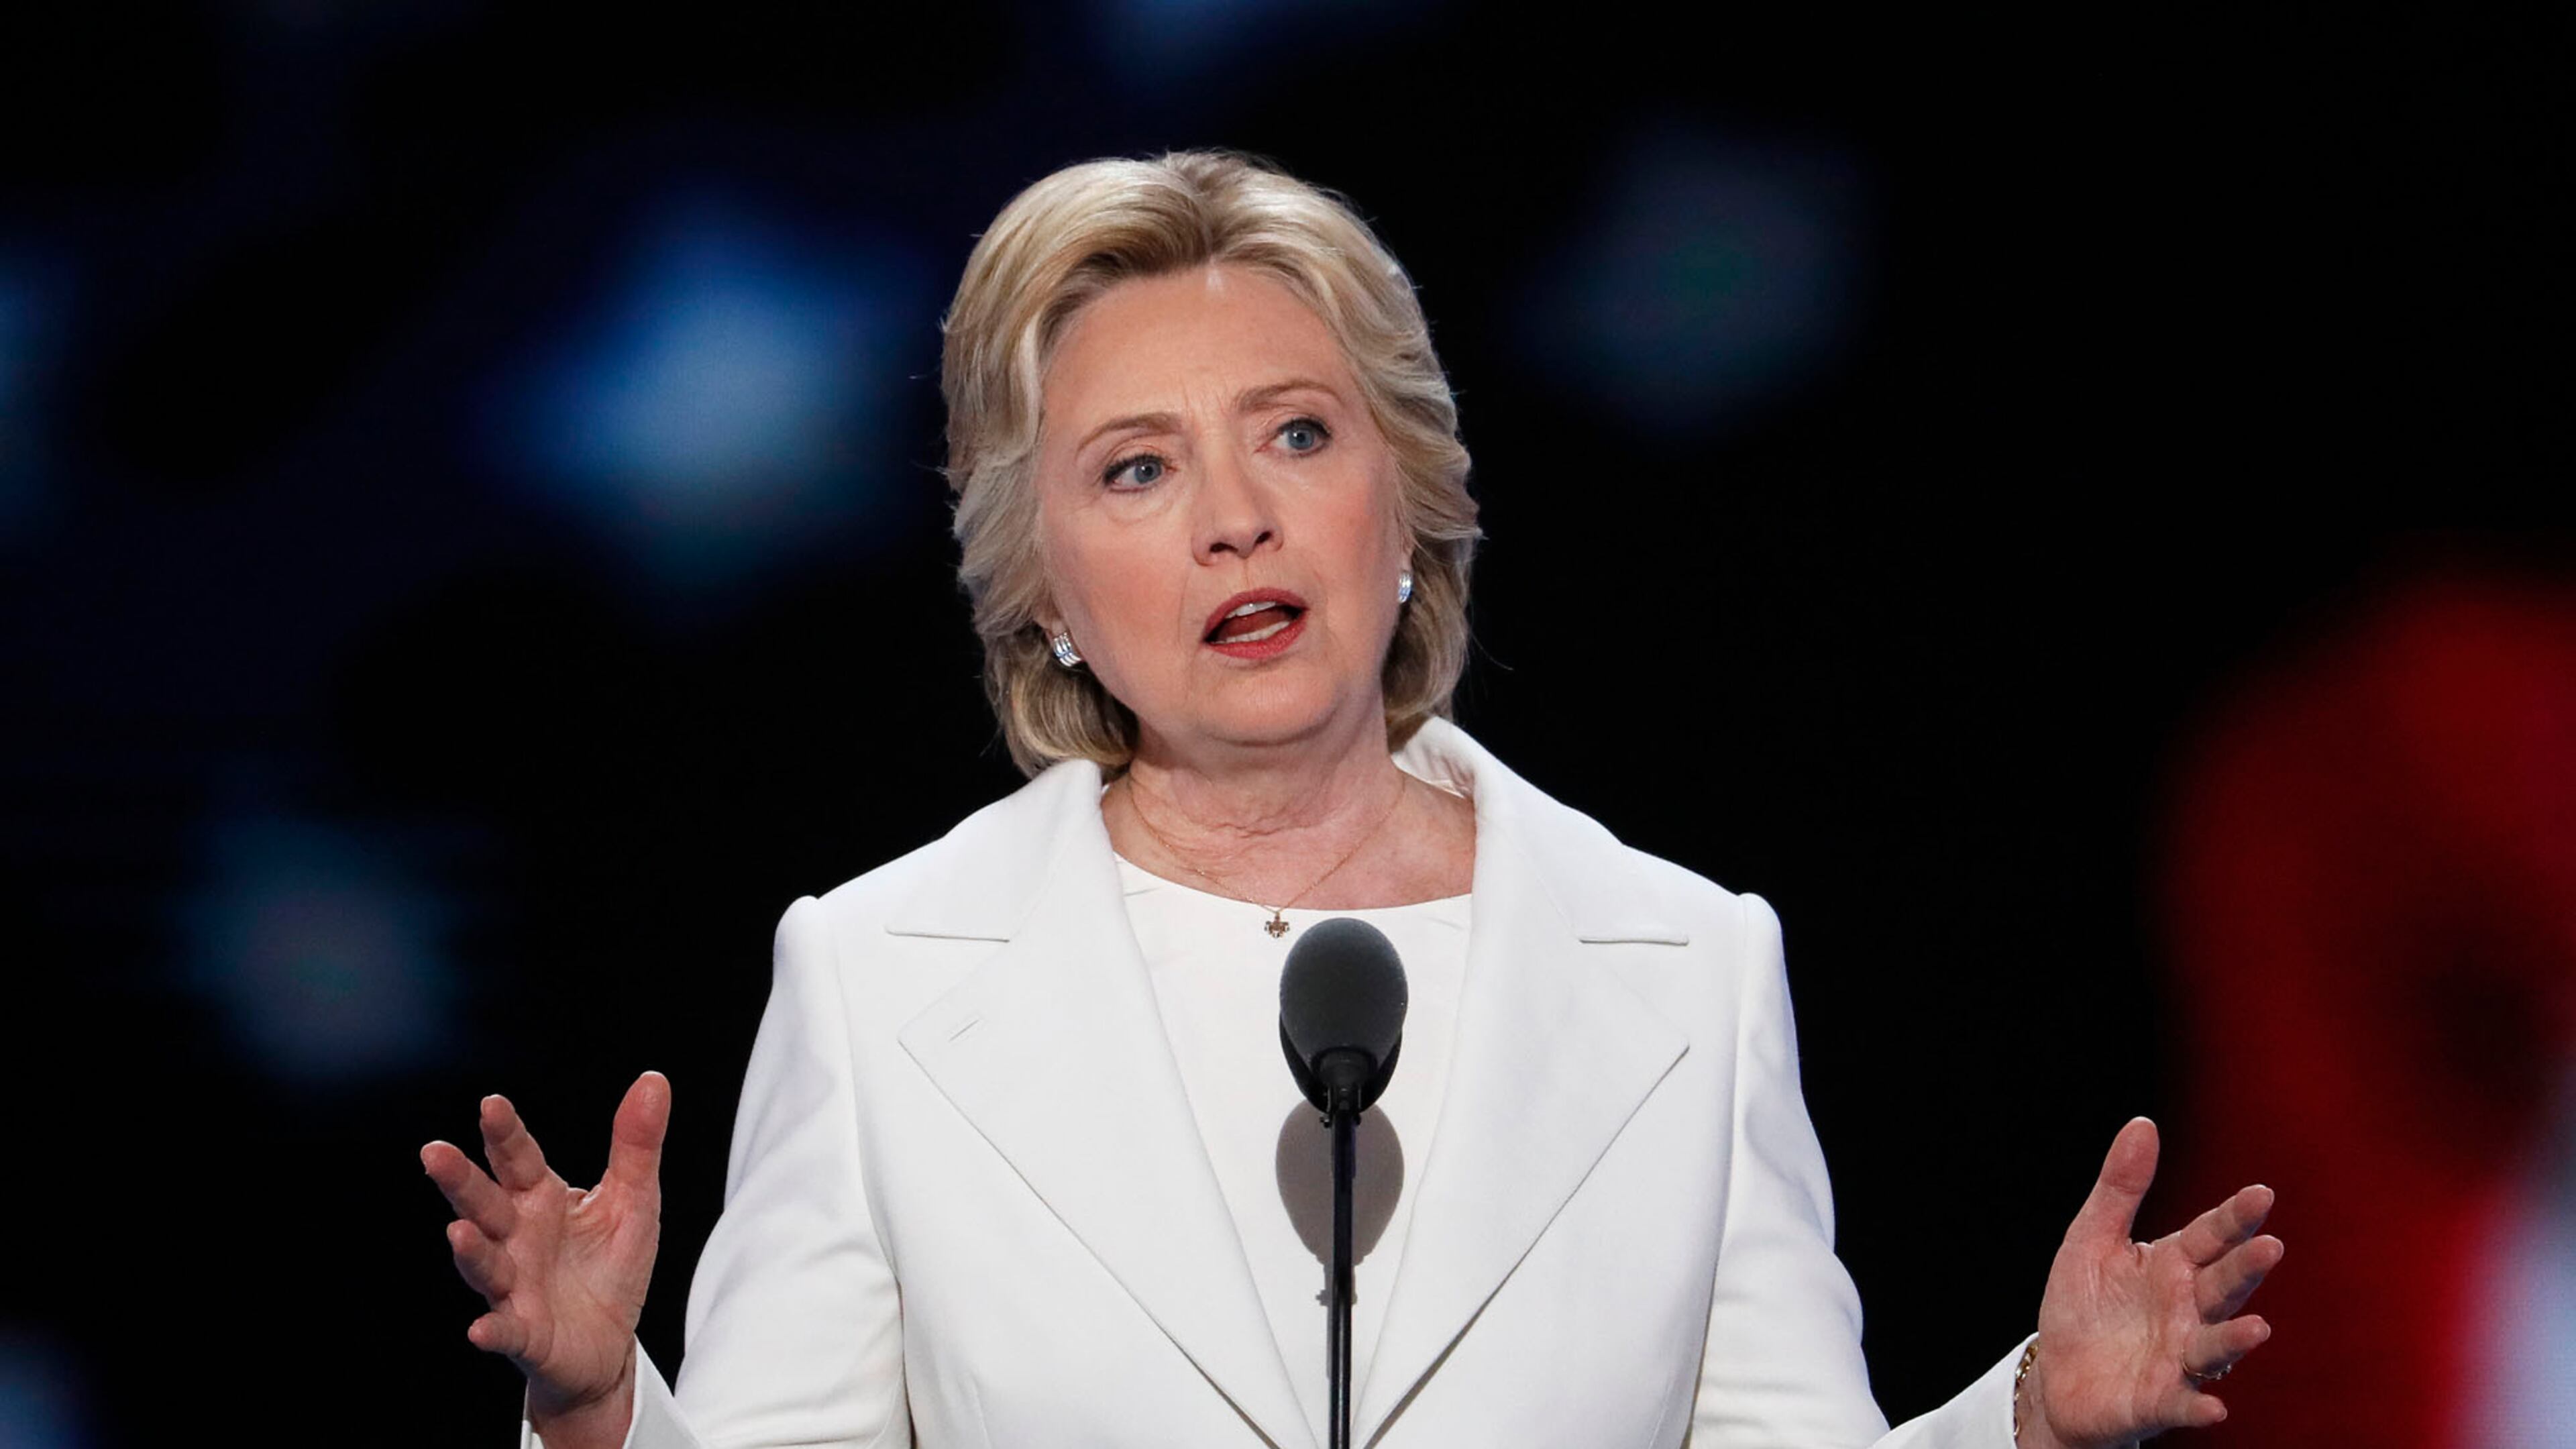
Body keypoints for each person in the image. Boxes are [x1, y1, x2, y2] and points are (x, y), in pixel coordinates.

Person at [421, 150, 2284, 1449]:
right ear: (1048, 594)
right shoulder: (886, 972)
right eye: (1138, 469)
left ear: (1405, 508)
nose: (1237, 513)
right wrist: (595, 1409)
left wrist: (2032, 1421)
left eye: (1297, 434)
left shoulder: (1685, 963)